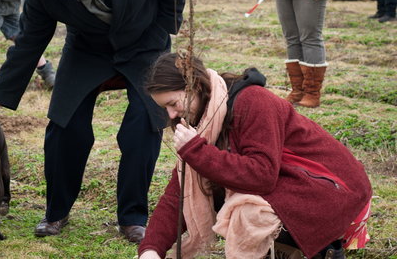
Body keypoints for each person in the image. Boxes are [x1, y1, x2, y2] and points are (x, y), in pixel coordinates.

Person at [0, 0, 189, 243]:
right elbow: (29, 43)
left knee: (142, 125)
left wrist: (163, 25)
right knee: (64, 125)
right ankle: (56, 212)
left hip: (144, 44)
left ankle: (132, 217)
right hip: (87, 49)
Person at [138, 52, 372, 259]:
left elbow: (262, 175)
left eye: (173, 103)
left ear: (195, 87)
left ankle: (325, 248)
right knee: (216, 187)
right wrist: (151, 249)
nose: (171, 114)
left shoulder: (252, 101)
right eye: (164, 108)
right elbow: (181, 191)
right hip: (296, 181)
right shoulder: (202, 120)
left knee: (246, 210)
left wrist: (197, 151)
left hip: (332, 188)